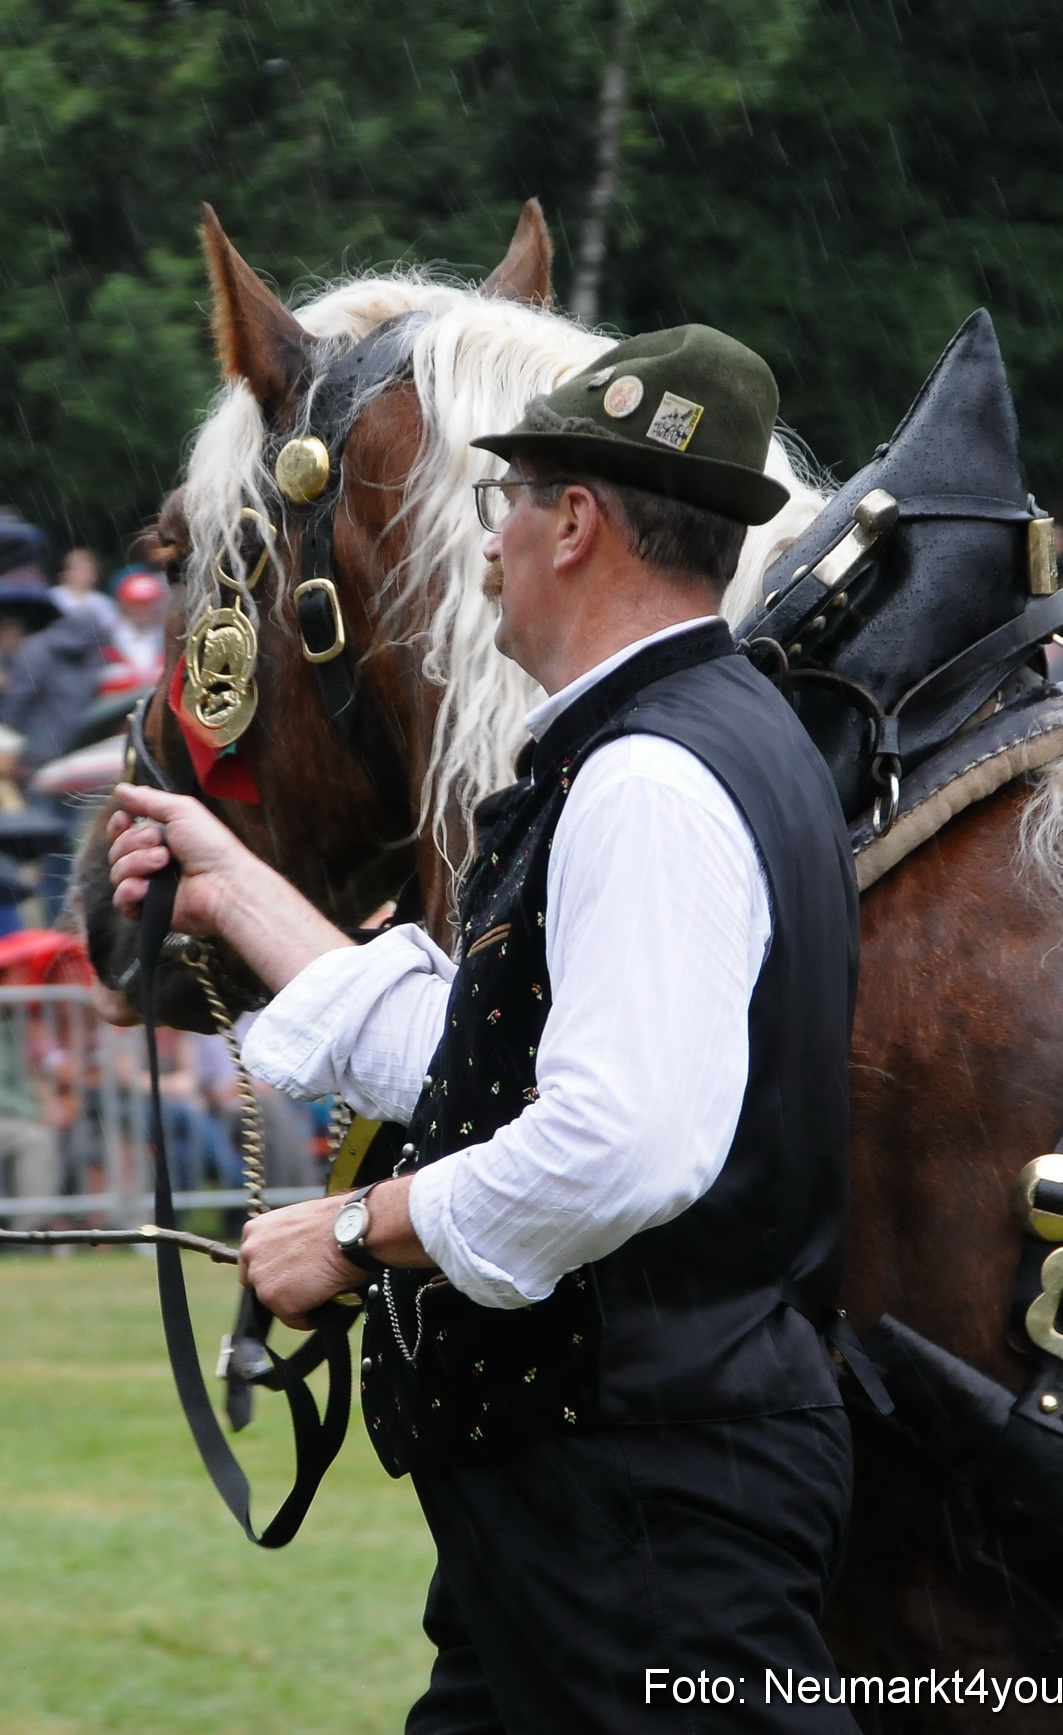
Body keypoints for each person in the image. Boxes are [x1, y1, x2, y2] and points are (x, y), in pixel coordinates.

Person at [107, 326, 860, 1732]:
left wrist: (344, 1230)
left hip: (641, 1495)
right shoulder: (686, 738)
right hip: (607, 1485)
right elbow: (496, 1060)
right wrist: (241, 889)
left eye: (500, 502)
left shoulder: (643, 778)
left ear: (574, 521)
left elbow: (620, 1139)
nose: (490, 541)